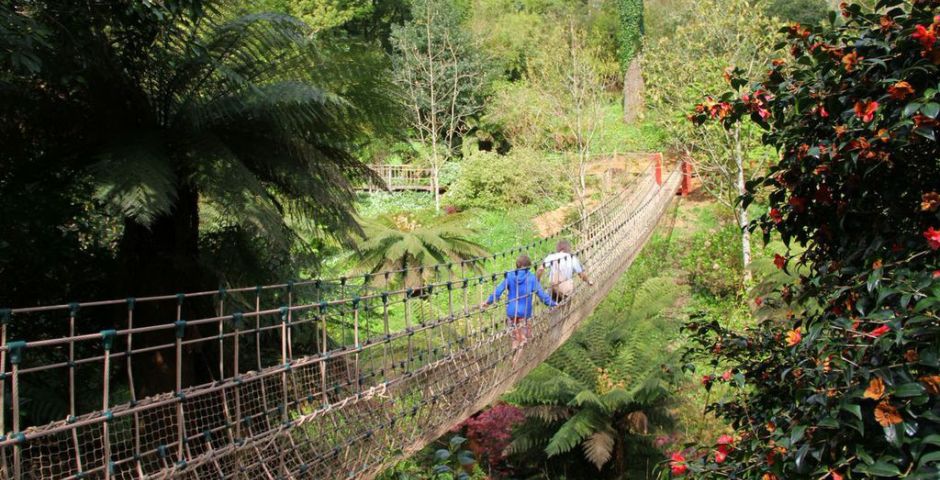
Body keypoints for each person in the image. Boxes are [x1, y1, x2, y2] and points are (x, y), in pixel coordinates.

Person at [483, 254, 557, 350]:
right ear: (528, 266)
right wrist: (553, 304)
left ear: (517, 265)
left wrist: (487, 302)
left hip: (511, 314)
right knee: (523, 340)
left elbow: (498, 292)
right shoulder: (531, 278)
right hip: (524, 314)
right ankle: (518, 361)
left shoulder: (509, 276)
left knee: (515, 339)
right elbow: (542, 295)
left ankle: (513, 361)